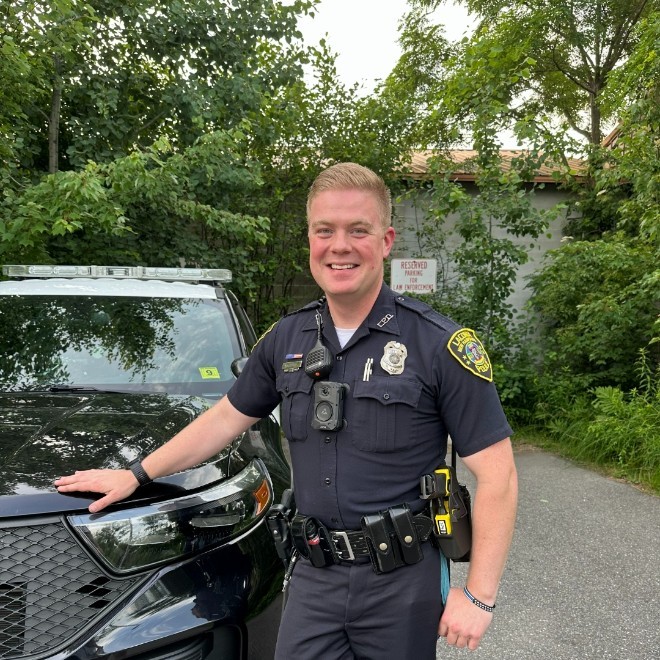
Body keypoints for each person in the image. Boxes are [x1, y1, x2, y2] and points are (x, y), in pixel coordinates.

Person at [55, 162, 518, 658]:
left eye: (358, 230)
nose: (339, 246)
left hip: (402, 583)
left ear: (386, 241)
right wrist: (136, 474)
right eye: (325, 231)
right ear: (310, 240)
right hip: (314, 579)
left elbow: (499, 476)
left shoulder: (438, 344)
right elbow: (225, 419)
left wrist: (479, 596)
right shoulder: (286, 339)